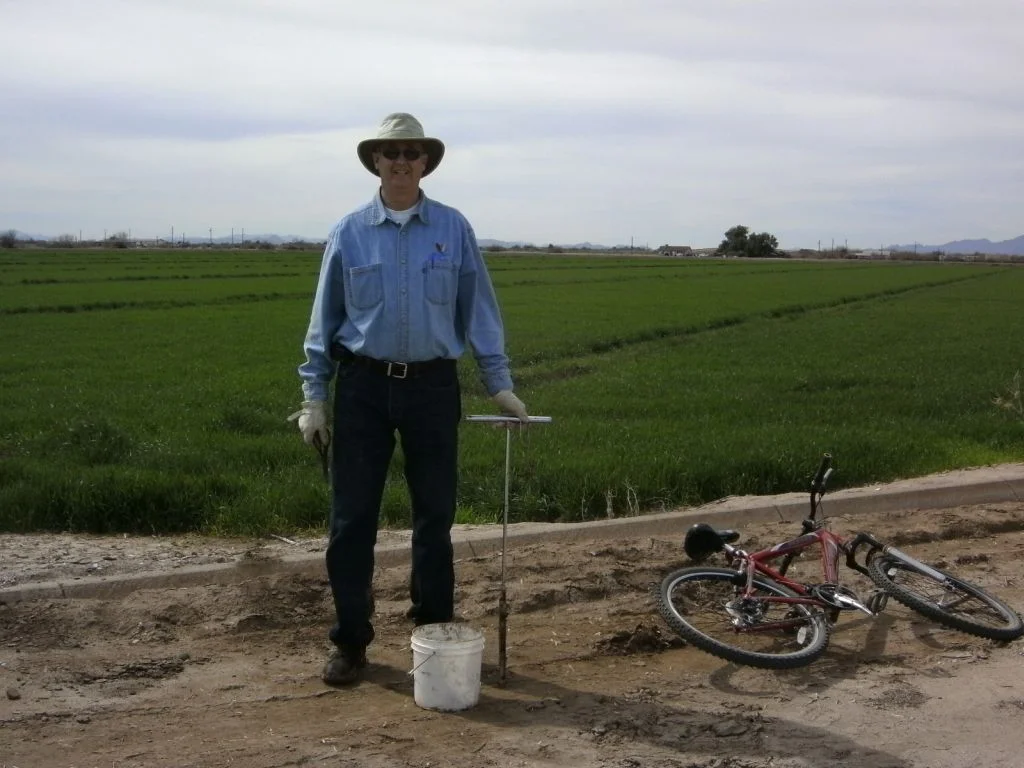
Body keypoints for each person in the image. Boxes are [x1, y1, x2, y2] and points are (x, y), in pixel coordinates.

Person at [291, 112, 529, 686]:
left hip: (432, 388)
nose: (401, 162)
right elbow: (325, 319)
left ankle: (435, 632)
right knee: (351, 521)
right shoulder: (349, 232)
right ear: (376, 160)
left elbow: (478, 307)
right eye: (391, 152)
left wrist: (498, 382)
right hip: (363, 388)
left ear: (425, 163)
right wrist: (314, 397)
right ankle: (351, 640)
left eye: (412, 153)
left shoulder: (453, 227)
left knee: (435, 517)